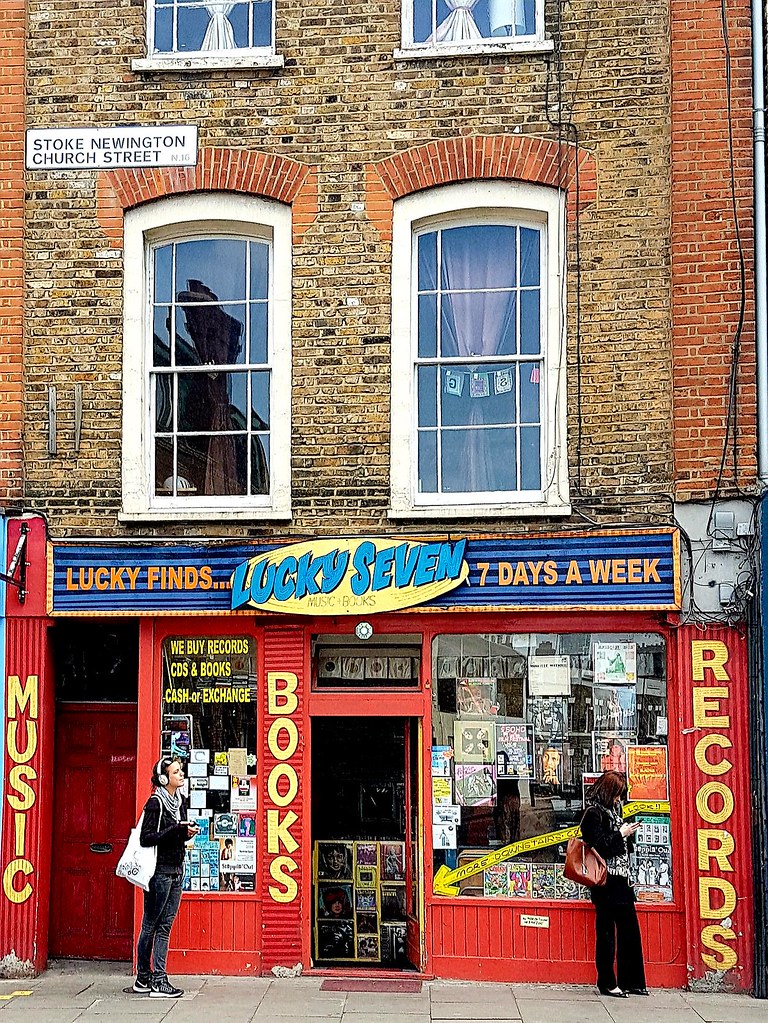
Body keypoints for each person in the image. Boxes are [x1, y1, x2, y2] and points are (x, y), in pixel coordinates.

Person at [133, 757, 199, 999]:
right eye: (176, 772)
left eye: (181, 771)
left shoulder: (179, 801)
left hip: (176, 869)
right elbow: (146, 838)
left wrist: (187, 833)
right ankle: (151, 978)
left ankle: (149, 978)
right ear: (164, 778)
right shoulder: (155, 803)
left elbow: (175, 837)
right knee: (151, 923)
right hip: (159, 872)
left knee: (164, 925)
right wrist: (176, 830)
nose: (181, 775)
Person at [581, 770, 647, 998]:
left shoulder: (614, 811)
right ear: (609, 792)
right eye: (617, 794)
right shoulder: (593, 814)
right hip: (605, 882)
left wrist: (628, 835)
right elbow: (599, 846)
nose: (620, 799)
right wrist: (621, 833)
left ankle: (632, 981)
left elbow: (617, 844)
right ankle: (607, 982)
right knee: (607, 933)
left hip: (622, 879)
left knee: (630, 930)